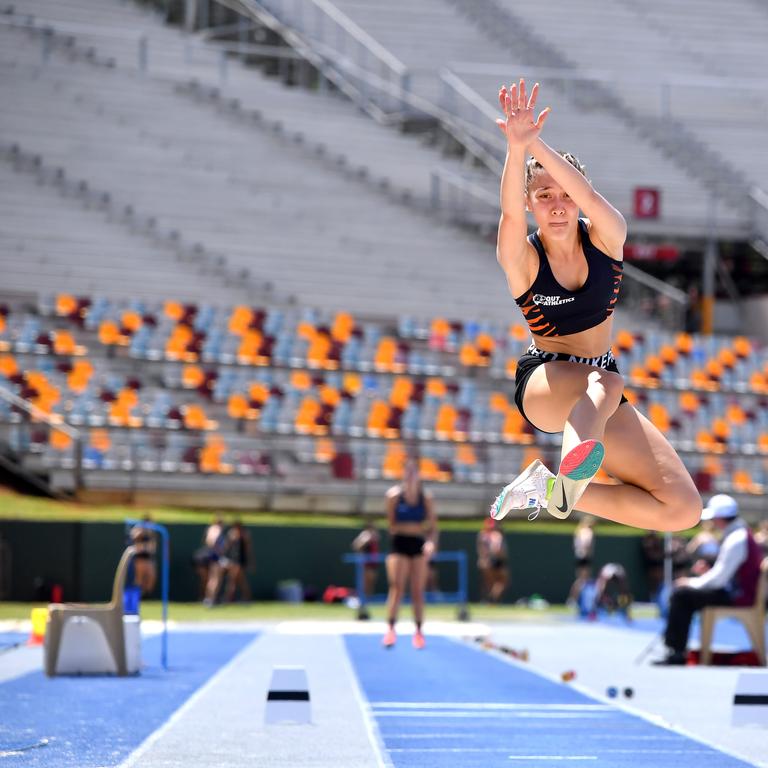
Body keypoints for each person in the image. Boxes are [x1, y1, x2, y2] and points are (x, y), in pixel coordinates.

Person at [487, 78, 700, 531]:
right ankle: (567, 486)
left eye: (565, 195)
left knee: (682, 508)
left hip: (598, 391)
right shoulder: (523, 258)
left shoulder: (607, 236)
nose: (558, 206)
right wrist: (518, 147)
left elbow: (586, 197)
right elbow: (507, 214)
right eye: (544, 197)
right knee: (606, 381)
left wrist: (538, 146)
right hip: (547, 380)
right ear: (530, 203)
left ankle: (551, 490)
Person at [653, 494, 765, 665]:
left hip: (738, 597)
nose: (712, 522)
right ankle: (676, 649)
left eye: (713, 518)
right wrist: (705, 575)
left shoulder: (736, 538)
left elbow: (720, 579)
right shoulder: (737, 534)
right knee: (685, 593)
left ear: (720, 518)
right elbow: (726, 574)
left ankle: (676, 652)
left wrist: (691, 582)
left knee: (682, 594)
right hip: (736, 592)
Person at [383, 458, 438, 649]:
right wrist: (404, 528)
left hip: (418, 543)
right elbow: (391, 524)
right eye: (407, 471)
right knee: (397, 587)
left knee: (417, 591)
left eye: (414, 471)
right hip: (399, 543)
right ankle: (390, 630)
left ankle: (419, 632)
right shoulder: (393, 496)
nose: (410, 475)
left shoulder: (426, 497)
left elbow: (432, 527)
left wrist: (430, 543)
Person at [476, 517, 509, 604]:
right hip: (495, 561)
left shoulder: (482, 534)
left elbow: (481, 550)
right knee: (498, 582)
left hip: (487, 561)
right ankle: (492, 599)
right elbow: (497, 550)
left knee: (490, 583)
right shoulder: (495, 535)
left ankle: (489, 600)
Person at [351, 520, 381, 605]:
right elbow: (356, 545)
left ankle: (368, 600)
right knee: (364, 583)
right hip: (365, 563)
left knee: (371, 582)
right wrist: (365, 541)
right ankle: (361, 600)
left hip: (373, 563)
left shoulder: (375, 535)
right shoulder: (364, 535)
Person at [567, 515, 595, 605]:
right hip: (584, 557)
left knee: (582, 580)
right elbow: (586, 544)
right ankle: (573, 599)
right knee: (582, 580)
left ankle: (576, 599)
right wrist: (586, 553)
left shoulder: (579, 531)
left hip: (580, 556)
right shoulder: (587, 531)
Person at [223, 520, 252, 603]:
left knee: (233, 580)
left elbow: (248, 549)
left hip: (239, 560)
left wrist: (249, 561)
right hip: (233, 560)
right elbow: (227, 546)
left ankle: (228, 598)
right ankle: (245, 598)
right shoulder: (231, 534)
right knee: (239, 581)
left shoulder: (245, 534)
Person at [128, 514, 157, 596]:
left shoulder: (152, 532)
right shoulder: (138, 528)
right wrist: (142, 530)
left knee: (151, 578)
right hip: (139, 559)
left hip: (149, 559)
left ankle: (145, 595)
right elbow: (134, 536)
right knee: (139, 580)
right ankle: (136, 596)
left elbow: (152, 547)